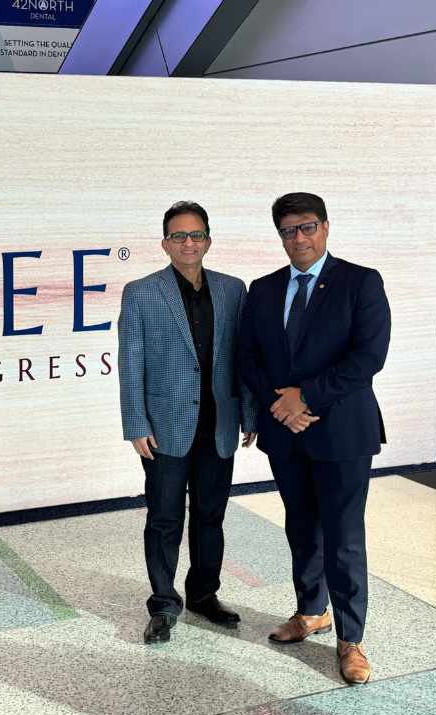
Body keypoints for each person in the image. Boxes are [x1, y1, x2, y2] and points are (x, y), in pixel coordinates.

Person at [237, 192, 391, 684]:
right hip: (286, 433)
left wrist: (305, 398)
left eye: (307, 227)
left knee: (343, 538)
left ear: (325, 227)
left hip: (343, 431)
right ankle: (311, 611)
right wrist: (281, 405)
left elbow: (368, 357)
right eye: (288, 230)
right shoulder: (263, 289)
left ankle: (351, 639)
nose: (298, 238)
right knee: (301, 526)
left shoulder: (360, 282)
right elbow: (247, 357)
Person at [118, 200, 257, 645]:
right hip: (164, 428)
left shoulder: (233, 290)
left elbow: (243, 357)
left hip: (219, 425)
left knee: (211, 515)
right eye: (178, 236)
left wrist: (249, 412)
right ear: (165, 243)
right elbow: (130, 361)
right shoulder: (141, 292)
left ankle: (203, 594)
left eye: (196, 235)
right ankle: (163, 604)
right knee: (164, 518)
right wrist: (135, 422)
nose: (188, 243)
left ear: (208, 241)